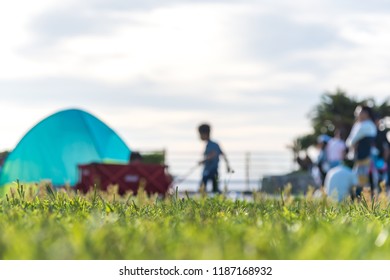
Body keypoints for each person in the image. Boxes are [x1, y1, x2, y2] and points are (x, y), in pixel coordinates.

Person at [346, 105, 377, 198]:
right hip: (361, 157)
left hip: (365, 157)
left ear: (366, 114)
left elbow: (350, 141)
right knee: (363, 179)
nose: (358, 114)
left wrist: (352, 144)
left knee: (362, 180)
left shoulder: (367, 125)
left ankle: (361, 199)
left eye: (360, 112)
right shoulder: (359, 124)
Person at [198, 123, 231, 193]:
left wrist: (203, 160)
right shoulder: (213, 144)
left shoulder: (212, 145)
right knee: (214, 188)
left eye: (200, 134)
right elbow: (223, 154)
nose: (199, 136)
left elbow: (213, 154)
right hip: (213, 170)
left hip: (210, 170)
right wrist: (227, 165)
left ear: (205, 134)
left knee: (204, 188)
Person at [369, 114, 389, 193]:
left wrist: (384, 160)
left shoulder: (382, 133)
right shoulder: (369, 133)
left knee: (381, 182)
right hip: (369, 162)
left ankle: (381, 198)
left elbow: (387, 148)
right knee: (369, 182)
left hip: (379, 161)